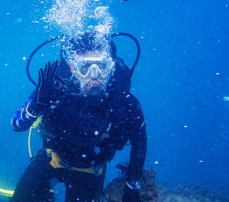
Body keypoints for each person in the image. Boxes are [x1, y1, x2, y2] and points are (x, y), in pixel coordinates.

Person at [11, 32, 147, 202]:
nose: (94, 75)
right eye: (85, 67)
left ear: (111, 69)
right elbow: (16, 125)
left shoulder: (124, 101)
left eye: (101, 67)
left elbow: (139, 141)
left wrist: (131, 186)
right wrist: (36, 107)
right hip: (51, 159)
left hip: (90, 172)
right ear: (73, 68)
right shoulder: (54, 89)